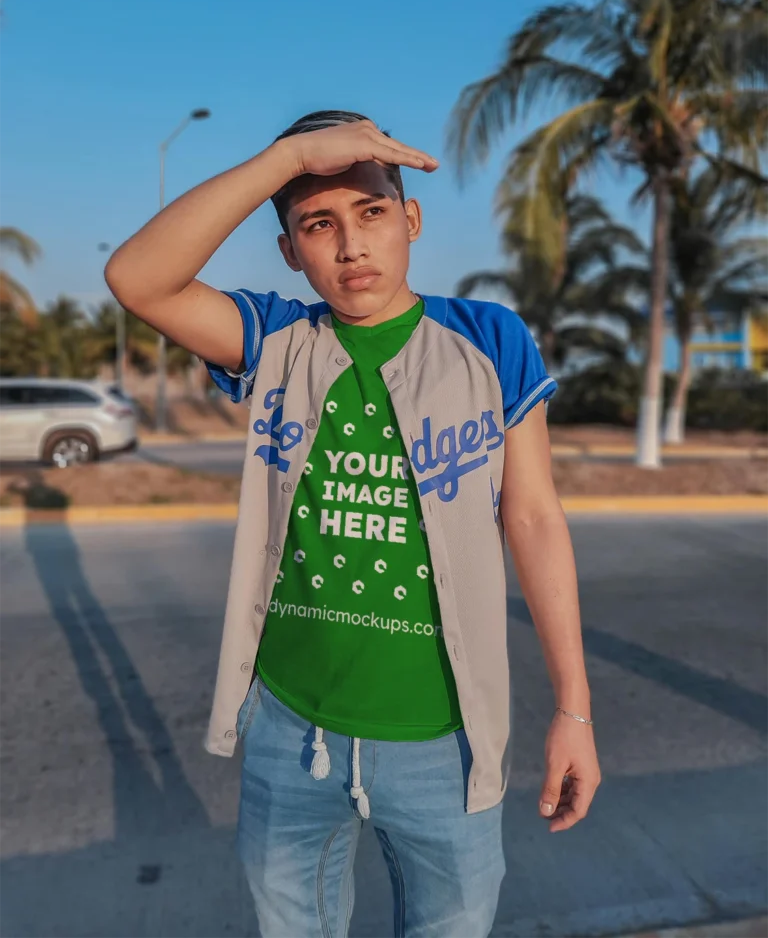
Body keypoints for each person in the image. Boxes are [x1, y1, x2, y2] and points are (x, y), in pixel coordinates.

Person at [105, 110, 601, 938]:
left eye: (371, 213)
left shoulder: (489, 340)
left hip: (445, 740)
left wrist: (574, 710)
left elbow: (535, 517)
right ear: (291, 250)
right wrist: (289, 158)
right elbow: (138, 279)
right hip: (291, 732)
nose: (350, 246)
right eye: (317, 224)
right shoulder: (276, 341)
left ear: (410, 220)